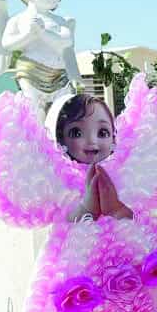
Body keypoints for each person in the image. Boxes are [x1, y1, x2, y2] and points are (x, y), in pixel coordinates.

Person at [54, 92, 131, 221]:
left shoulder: (124, 175)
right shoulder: (62, 183)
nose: (92, 141)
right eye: (76, 133)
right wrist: (87, 209)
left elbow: (140, 222)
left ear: (113, 139)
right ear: (62, 140)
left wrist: (117, 209)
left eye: (102, 132)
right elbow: (63, 224)